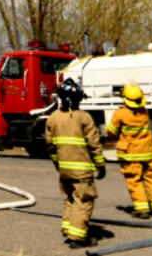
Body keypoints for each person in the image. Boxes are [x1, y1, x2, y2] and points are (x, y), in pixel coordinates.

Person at [46, 78, 106, 249]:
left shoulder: (53, 118)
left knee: (71, 198)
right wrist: (100, 166)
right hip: (82, 171)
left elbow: (51, 146)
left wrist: (58, 165)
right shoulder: (84, 117)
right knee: (84, 200)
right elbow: (94, 144)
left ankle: (68, 227)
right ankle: (77, 238)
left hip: (64, 169)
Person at [106, 83, 152, 219]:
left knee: (134, 181)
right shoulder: (145, 111)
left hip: (131, 155)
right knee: (151, 179)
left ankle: (142, 209)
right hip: (148, 152)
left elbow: (111, 131)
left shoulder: (120, 113)